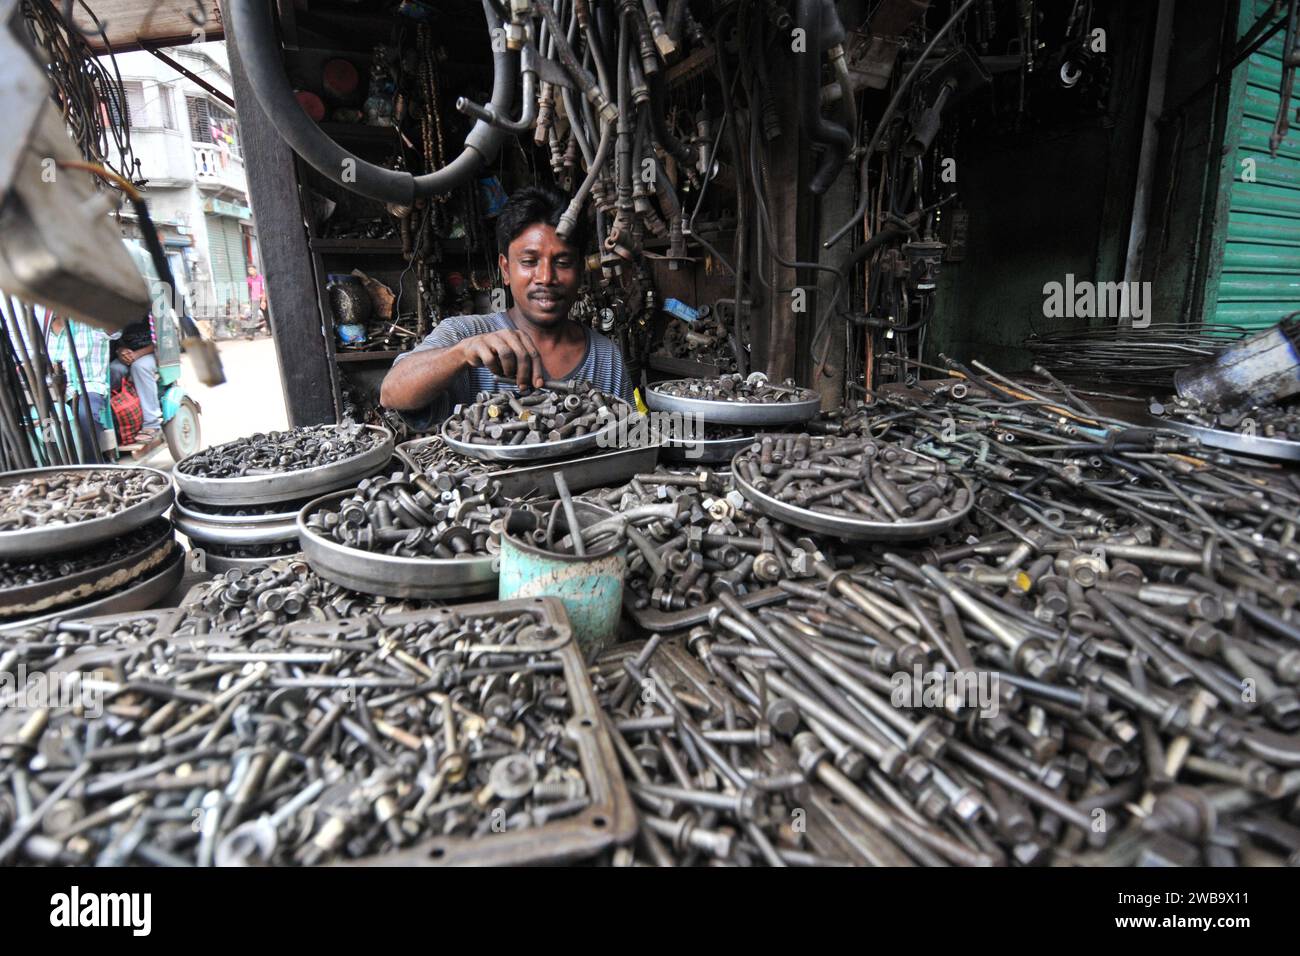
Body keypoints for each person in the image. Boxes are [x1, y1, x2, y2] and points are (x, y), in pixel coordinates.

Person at [380, 186, 634, 430]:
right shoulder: (462, 335)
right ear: (505, 269)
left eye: (563, 262)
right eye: (529, 261)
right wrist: (461, 355)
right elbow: (391, 393)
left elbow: (625, 439)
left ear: (580, 271)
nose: (546, 277)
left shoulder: (605, 357)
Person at [43, 312, 112, 457]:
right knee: (43, 421)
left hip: (88, 385)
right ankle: (54, 463)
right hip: (53, 390)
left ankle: (92, 466)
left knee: (85, 416)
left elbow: (114, 329)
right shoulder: (43, 329)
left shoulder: (91, 322)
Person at [110, 316, 162, 445]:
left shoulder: (151, 312)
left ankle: (151, 423)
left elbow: (160, 340)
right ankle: (122, 423)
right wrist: (121, 351)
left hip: (152, 353)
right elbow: (115, 341)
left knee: (139, 367)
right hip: (126, 355)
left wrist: (137, 355)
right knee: (114, 370)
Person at [247, 265, 268, 333]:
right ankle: (250, 334)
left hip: (263, 299)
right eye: (249, 270)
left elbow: (264, 289)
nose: (251, 271)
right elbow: (248, 289)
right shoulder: (248, 279)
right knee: (253, 316)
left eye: (252, 270)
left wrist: (263, 300)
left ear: (255, 270)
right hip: (255, 300)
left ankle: (270, 330)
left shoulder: (261, 278)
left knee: (267, 316)